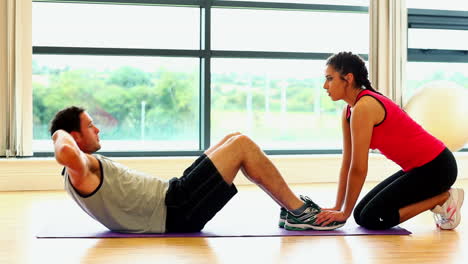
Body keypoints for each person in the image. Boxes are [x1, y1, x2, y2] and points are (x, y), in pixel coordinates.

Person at [50, 106, 342, 233]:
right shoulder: (81, 167)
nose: (97, 128)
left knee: (232, 138)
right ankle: (300, 212)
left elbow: (68, 150)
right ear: (75, 137)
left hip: (174, 194)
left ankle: (290, 211)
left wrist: (67, 134)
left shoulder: (83, 169)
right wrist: (57, 134)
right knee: (243, 145)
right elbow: (64, 151)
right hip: (175, 209)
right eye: (90, 126)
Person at [304, 51, 463, 230]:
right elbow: (348, 162)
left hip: (437, 168)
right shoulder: (349, 111)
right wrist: (338, 207)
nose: (325, 86)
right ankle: (440, 198)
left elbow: (359, 168)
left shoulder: (364, 107)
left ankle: (444, 198)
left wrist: (343, 214)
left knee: (370, 218)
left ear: (348, 78)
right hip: (418, 169)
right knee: (360, 214)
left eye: (330, 78)